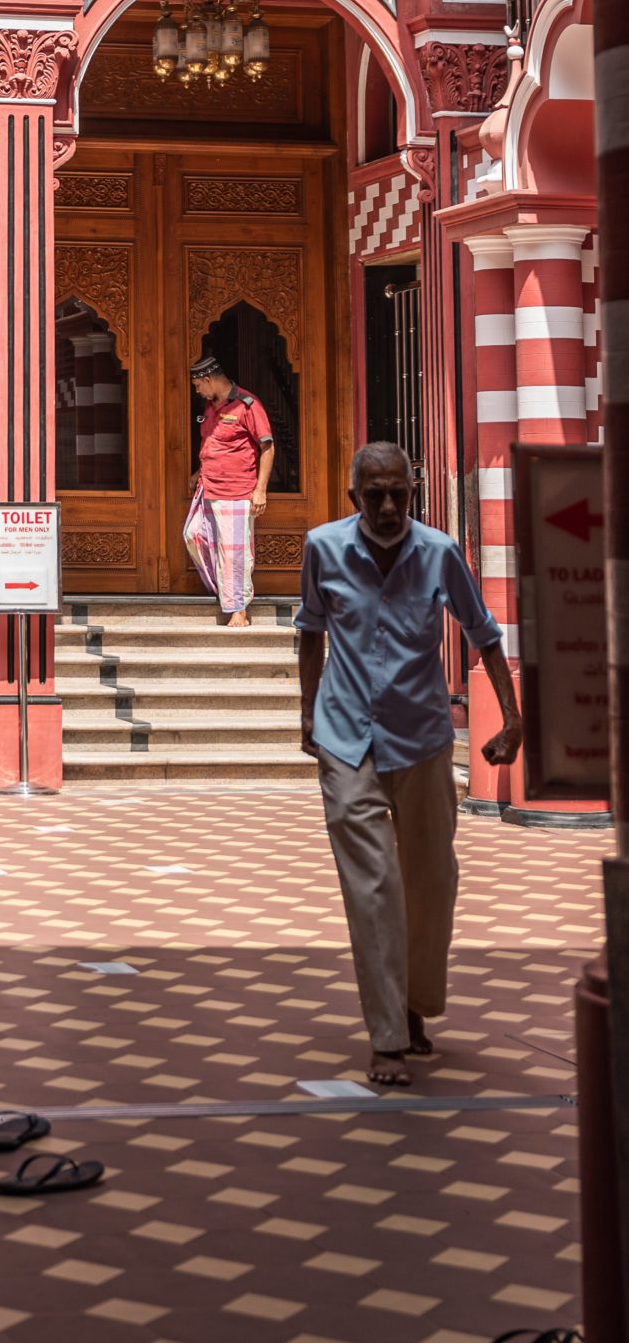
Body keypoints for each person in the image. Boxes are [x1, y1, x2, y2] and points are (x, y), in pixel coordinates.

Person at [297, 440, 522, 1087]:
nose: (390, 506)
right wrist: (306, 714)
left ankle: (414, 1003)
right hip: (345, 739)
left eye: (399, 493)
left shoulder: (438, 552)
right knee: (372, 887)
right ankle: (386, 1036)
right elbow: (310, 630)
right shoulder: (323, 548)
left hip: (421, 737)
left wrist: (511, 719)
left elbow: (481, 633)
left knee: (429, 882)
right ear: (353, 499)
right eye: (375, 496)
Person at [181, 354, 275, 628]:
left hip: (236, 491)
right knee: (194, 535)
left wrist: (261, 490)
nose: (197, 390)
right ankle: (225, 590)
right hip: (208, 487)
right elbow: (215, 445)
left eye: (198, 385)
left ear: (208, 380)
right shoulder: (211, 407)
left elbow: (267, 447)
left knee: (234, 552)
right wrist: (199, 473)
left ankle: (239, 610)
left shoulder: (248, 404)